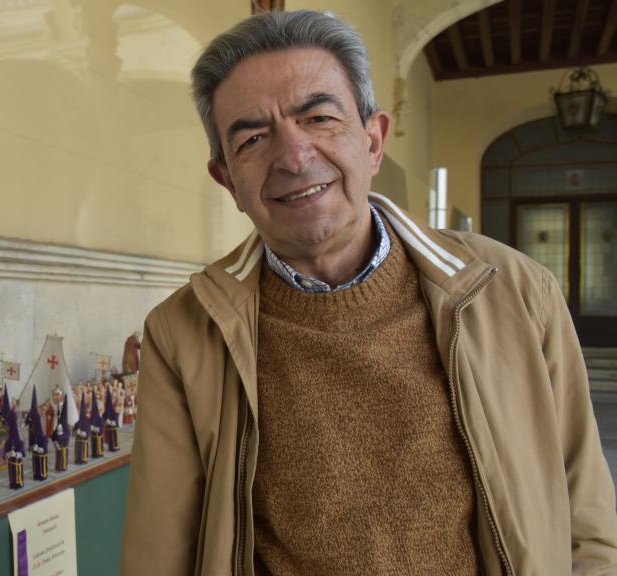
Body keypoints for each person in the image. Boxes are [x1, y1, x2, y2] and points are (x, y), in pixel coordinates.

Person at [120, 10, 617, 576]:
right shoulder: (183, 334)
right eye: (253, 138)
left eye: (319, 118)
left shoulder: (515, 291)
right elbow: (159, 553)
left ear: (373, 140)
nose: (293, 156)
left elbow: (587, 523)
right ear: (228, 180)